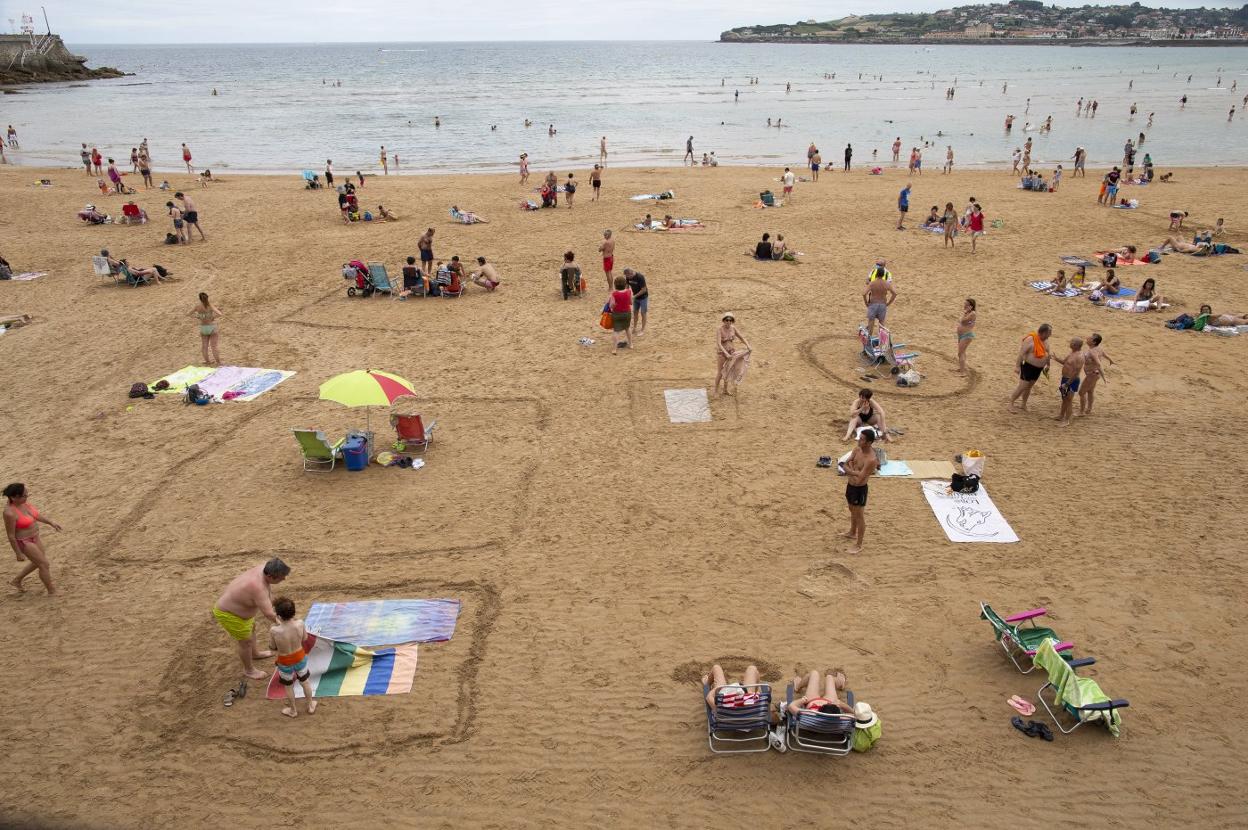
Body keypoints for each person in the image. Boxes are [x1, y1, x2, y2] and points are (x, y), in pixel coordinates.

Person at [213, 558, 290, 680]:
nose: (284, 579)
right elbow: (269, 614)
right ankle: (249, 670)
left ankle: (255, 654)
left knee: (252, 628)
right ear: (270, 576)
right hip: (229, 614)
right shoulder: (257, 587)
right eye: (281, 577)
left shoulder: (265, 566)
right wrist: (286, 625)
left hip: (242, 613)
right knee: (245, 642)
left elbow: (268, 592)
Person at [4, 482, 61, 595]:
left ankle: (17, 580)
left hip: (35, 537)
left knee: (37, 562)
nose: (27, 497)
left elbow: (36, 515)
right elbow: (10, 535)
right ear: (14, 497)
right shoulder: (9, 513)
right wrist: (18, 553)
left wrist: (50, 522)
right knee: (44, 564)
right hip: (24, 542)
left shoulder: (24, 504)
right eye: (24, 495)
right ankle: (51, 591)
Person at [269, 597, 317, 718]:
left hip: (284, 662)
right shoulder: (300, 624)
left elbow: (272, 647)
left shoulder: (274, 630)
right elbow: (305, 639)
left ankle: (293, 710)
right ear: (293, 612)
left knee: (288, 686)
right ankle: (311, 705)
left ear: (279, 616)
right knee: (305, 682)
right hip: (300, 658)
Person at [842, 428, 879, 554]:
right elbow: (844, 464)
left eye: (862, 439)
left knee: (859, 515)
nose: (859, 441)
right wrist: (854, 472)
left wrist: (850, 470)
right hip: (850, 486)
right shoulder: (857, 449)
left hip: (860, 489)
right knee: (852, 509)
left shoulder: (871, 460)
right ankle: (852, 532)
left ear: (869, 442)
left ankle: (859, 544)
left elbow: (860, 480)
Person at [1009, 324, 1052, 413]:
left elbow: (1047, 354)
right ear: (1043, 332)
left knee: (1029, 387)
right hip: (1028, 366)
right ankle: (1011, 403)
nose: (1050, 334)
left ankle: (1023, 404)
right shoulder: (1030, 340)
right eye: (1049, 332)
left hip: (1038, 369)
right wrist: (1017, 366)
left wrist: (1048, 365)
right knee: (1022, 386)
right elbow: (1021, 353)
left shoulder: (1046, 341)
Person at [715, 313, 751, 396]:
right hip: (722, 353)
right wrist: (726, 353)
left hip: (731, 352)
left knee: (728, 371)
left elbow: (741, 337)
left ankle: (725, 390)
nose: (728, 322)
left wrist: (748, 345)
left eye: (730, 320)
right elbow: (719, 343)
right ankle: (716, 391)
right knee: (720, 373)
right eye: (727, 320)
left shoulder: (733, 328)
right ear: (724, 320)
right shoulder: (719, 329)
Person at [1079, 333, 1113, 416]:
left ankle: (1082, 412)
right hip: (1095, 374)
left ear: (1093, 342)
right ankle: (1089, 409)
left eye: (1090, 338)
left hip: (1092, 374)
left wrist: (1104, 377)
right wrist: (1111, 360)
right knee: (1090, 391)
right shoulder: (1099, 348)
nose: (1087, 338)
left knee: (1081, 392)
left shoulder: (1092, 351)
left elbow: (1099, 364)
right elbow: (1105, 355)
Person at [1054, 338, 1085, 426]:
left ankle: (1067, 420)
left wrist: (1067, 383)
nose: (1070, 343)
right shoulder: (1072, 353)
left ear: (1076, 345)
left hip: (1071, 380)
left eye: (1072, 342)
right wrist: (1056, 359)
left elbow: (1076, 372)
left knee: (1068, 400)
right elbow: (1065, 362)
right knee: (1064, 399)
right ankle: (1061, 415)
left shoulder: (1079, 356)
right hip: (1065, 379)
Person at [191, 292, 222, 365]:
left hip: (203, 328)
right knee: (214, 346)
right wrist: (213, 317)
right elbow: (220, 314)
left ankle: (207, 361)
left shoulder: (197, 307)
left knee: (204, 346)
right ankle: (218, 362)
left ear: (200, 299)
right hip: (211, 327)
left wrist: (198, 317)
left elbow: (188, 314)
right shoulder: (210, 306)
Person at [608, 276, 633, 352]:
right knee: (627, 328)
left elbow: (611, 305)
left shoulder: (614, 294)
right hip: (627, 313)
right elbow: (631, 302)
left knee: (616, 331)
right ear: (625, 284)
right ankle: (631, 344)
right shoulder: (628, 291)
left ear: (615, 285)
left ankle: (614, 349)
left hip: (617, 314)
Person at [624, 267, 647, 336]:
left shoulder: (640, 277)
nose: (627, 277)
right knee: (635, 313)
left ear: (630, 273)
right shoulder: (628, 277)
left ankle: (642, 330)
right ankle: (634, 328)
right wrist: (626, 294)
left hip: (643, 298)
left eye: (627, 276)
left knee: (643, 313)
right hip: (635, 298)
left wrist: (634, 296)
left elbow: (644, 290)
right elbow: (627, 286)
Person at [956, 298, 976, 375]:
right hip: (962, 335)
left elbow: (963, 321)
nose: (964, 306)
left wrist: (965, 313)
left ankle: (963, 372)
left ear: (971, 306)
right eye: (964, 304)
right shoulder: (968, 313)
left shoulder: (972, 313)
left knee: (960, 353)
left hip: (966, 335)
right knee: (962, 352)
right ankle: (962, 367)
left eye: (966, 305)